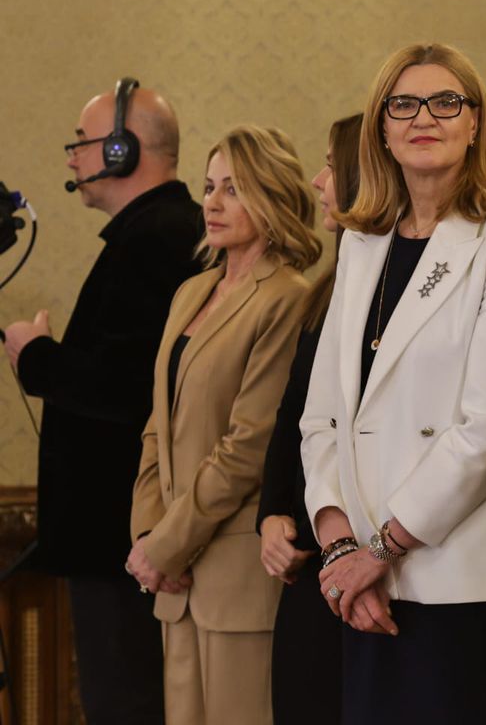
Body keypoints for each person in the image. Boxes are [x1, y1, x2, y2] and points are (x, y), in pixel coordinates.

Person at [299, 43, 486, 725]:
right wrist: (340, 550)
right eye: (404, 105)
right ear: (381, 129)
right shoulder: (363, 245)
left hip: (468, 582)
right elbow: (322, 417)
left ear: (476, 123)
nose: (424, 117)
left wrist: (382, 550)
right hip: (364, 587)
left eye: (447, 102)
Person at [2, 78, 201, 725]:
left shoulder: (153, 240)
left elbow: (125, 386)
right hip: (127, 536)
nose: (72, 157)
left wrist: (36, 356)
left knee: (126, 703)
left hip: (125, 538)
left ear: (123, 149)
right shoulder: (153, 233)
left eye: (82, 143)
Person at [127, 124, 321, 725]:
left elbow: (248, 447)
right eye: (209, 186)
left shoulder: (288, 296)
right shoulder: (191, 291)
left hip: (236, 578)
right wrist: (148, 534)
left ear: (272, 195)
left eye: (233, 189)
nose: (212, 202)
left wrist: (167, 545)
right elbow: (157, 425)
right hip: (174, 576)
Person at [257, 114, 363, 723]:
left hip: (359, 550)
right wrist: (272, 512)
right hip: (306, 546)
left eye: (330, 165)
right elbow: (293, 416)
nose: (319, 182)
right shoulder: (327, 287)